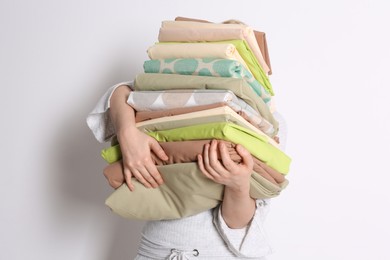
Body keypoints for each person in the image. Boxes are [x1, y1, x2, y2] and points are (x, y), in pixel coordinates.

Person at [87, 81, 287, 259]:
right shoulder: (176, 88)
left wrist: (239, 186)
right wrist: (127, 133)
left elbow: (238, 225)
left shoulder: (268, 124)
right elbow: (122, 92)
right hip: (155, 252)